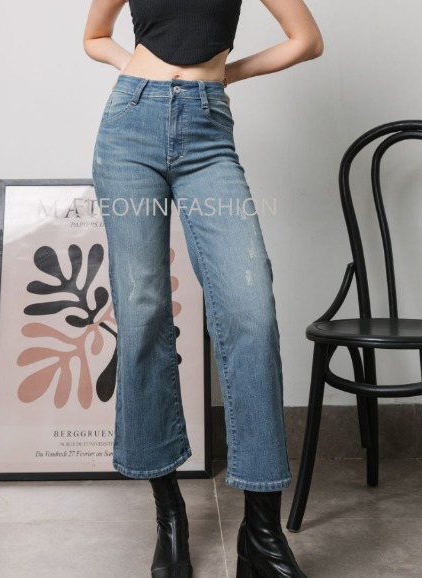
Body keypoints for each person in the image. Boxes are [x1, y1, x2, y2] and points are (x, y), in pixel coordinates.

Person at [84, 1, 323, 576]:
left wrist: (225, 75)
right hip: (128, 129)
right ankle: (169, 515)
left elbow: (307, 39)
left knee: (251, 314)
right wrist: (132, 68)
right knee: (142, 315)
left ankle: (260, 534)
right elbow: (95, 36)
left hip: (207, 133)